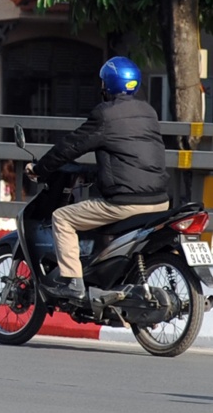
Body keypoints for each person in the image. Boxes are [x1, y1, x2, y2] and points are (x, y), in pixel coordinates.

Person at [26, 56, 169, 302]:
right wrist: (94, 173)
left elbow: (70, 147)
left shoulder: (105, 115)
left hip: (125, 202)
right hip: (159, 201)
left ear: (108, 85)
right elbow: (132, 155)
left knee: (62, 217)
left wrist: (40, 169)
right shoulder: (148, 112)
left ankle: (73, 282)